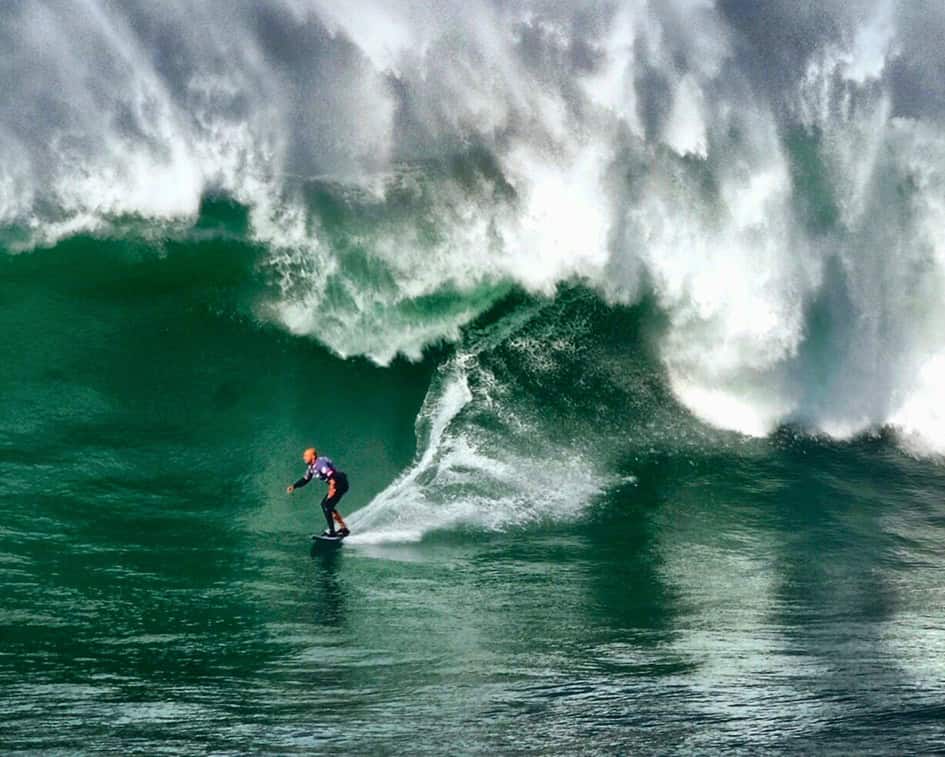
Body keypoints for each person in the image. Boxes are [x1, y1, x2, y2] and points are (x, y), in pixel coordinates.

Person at [287, 447, 350, 537]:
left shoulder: (320, 464)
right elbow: (305, 479)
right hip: (337, 483)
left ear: (313, 456)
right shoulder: (311, 467)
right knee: (326, 505)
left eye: (305, 455)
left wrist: (332, 489)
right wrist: (294, 486)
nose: (303, 457)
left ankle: (332, 532)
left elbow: (332, 476)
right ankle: (344, 529)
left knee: (327, 506)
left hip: (340, 484)